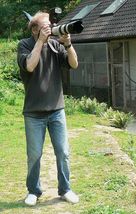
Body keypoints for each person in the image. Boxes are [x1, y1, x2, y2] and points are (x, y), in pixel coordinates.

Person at [17, 11, 79, 206]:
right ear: (35, 29)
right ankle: (34, 191)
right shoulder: (24, 45)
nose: (49, 28)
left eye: (50, 24)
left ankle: (65, 189)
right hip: (34, 113)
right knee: (34, 155)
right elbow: (29, 66)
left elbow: (74, 64)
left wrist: (67, 44)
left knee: (63, 152)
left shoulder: (55, 45)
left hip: (57, 110)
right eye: (45, 26)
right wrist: (39, 42)